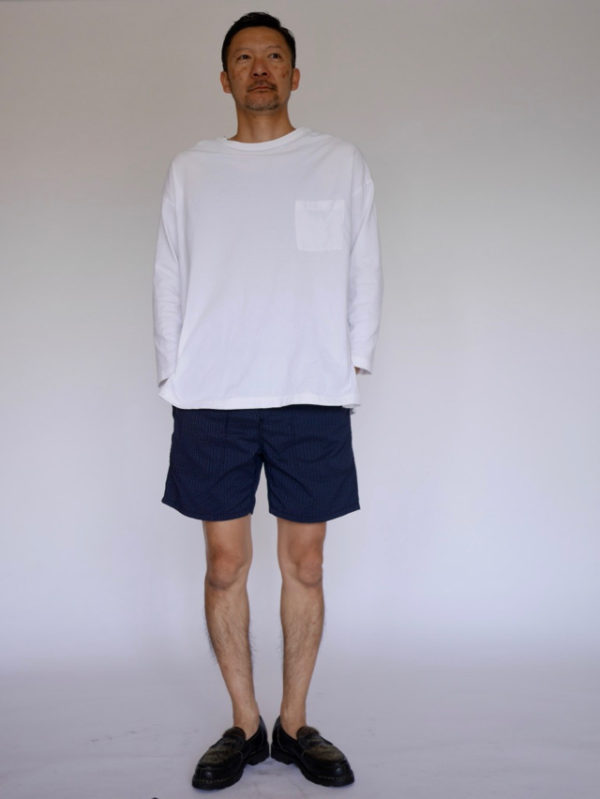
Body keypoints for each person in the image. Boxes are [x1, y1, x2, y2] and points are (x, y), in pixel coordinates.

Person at [152, 11, 383, 791]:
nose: (260, 68)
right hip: (212, 394)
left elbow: (364, 263)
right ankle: (245, 724)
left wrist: (352, 358)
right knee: (225, 565)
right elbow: (169, 271)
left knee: (305, 563)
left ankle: (294, 722)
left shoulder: (337, 162)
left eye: (274, 56)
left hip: (310, 392)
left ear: (294, 74)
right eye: (245, 57)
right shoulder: (193, 169)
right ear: (224, 79)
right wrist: (173, 374)